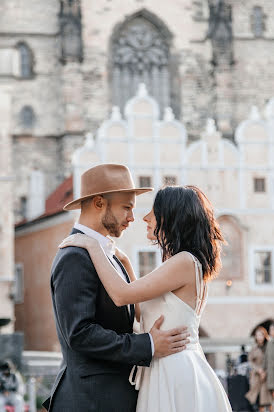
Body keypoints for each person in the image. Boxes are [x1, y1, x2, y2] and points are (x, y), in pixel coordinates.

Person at [60, 184, 233, 412]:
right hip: (165, 366)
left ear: (172, 217)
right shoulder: (182, 262)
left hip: (173, 368)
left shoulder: (184, 261)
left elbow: (122, 296)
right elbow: (141, 310)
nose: (145, 217)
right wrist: (126, 264)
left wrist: (92, 246)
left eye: (154, 211)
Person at [43, 164, 189, 412]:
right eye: (127, 207)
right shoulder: (74, 256)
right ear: (99, 203)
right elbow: (80, 333)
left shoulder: (108, 255)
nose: (133, 217)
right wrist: (148, 345)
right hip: (91, 400)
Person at [245, 326, 272, 412]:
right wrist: (259, 370)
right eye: (257, 335)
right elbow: (250, 361)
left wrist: (265, 372)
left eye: (261, 335)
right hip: (257, 376)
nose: (259, 337)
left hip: (267, 375)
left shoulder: (269, 347)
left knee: (268, 399)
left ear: (264, 335)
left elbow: (270, 360)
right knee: (259, 399)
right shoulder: (254, 348)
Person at [264, 322, 274, 410]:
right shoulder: (269, 343)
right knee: (270, 397)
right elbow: (266, 359)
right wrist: (263, 370)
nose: (271, 331)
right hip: (270, 375)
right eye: (270, 330)